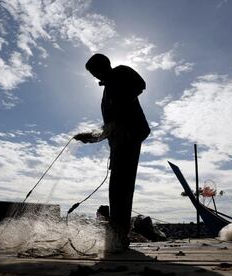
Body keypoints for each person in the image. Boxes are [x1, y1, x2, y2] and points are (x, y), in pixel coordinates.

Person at [74, 53, 150, 252]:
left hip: (131, 137)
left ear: (105, 65)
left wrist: (121, 108)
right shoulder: (105, 96)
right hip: (117, 145)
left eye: (95, 71)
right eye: (92, 73)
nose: (94, 75)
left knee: (123, 187)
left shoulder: (121, 72)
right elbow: (109, 127)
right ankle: (117, 234)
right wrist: (90, 137)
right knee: (116, 189)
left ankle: (119, 235)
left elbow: (140, 84)